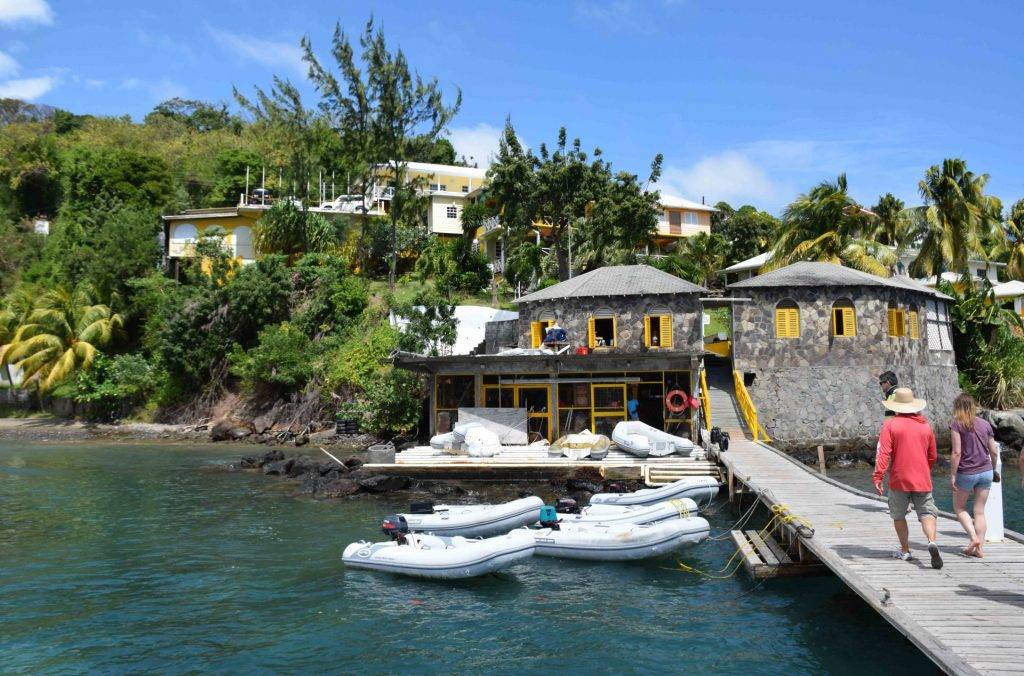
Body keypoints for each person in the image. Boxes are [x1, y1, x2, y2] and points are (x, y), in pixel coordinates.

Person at [872, 387, 942, 569]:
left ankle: (905, 550)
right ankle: (932, 541)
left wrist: (878, 475)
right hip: (922, 478)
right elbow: (933, 455)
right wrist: (925, 469)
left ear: (896, 407)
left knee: (899, 515)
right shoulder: (925, 426)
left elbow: (884, 453)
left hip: (899, 479)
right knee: (927, 512)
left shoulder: (890, 425)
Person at [949, 393, 1000, 557]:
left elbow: (956, 452)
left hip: (966, 472)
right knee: (979, 511)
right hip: (985, 471)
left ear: (958, 408)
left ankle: (973, 538)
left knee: (959, 508)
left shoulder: (957, 425)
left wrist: (952, 475)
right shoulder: (985, 424)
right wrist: (993, 469)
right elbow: (993, 450)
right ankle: (980, 549)